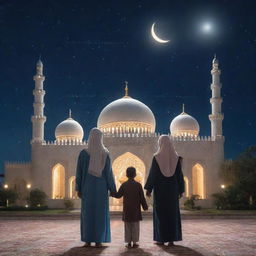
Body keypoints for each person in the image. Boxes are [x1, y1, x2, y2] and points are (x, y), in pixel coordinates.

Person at [75, 127, 116, 247]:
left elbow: (79, 172)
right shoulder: (105, 154)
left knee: (88, 214)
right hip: (101, 189)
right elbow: (109, 174)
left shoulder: (83, 154)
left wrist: (78, 188)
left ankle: (87, 240)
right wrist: (112, 189)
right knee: (100, 214)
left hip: (87, 188)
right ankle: (98, 240)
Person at [144, 135, 184, 246]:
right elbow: (179, 176)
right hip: (173, 190)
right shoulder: (176, 158)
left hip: (160, 190)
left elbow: (153, 174)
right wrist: (181, 190)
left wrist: (148, 189)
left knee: (160, 213)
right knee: (172, 213)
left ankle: (161, 239)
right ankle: (171, 239)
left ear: (160, 143)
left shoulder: (157, 158)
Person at [110, 167, 148, 248]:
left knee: (127, 227)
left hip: (127, 210)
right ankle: (134, 242)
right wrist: (145, 207)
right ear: (135, 174)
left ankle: (128, 243)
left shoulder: (124, 185)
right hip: (135, 210)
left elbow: (118, 195)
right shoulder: (138, 185)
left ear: (126, 175)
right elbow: (142, 198)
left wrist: (111, 192)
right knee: (135, 226)